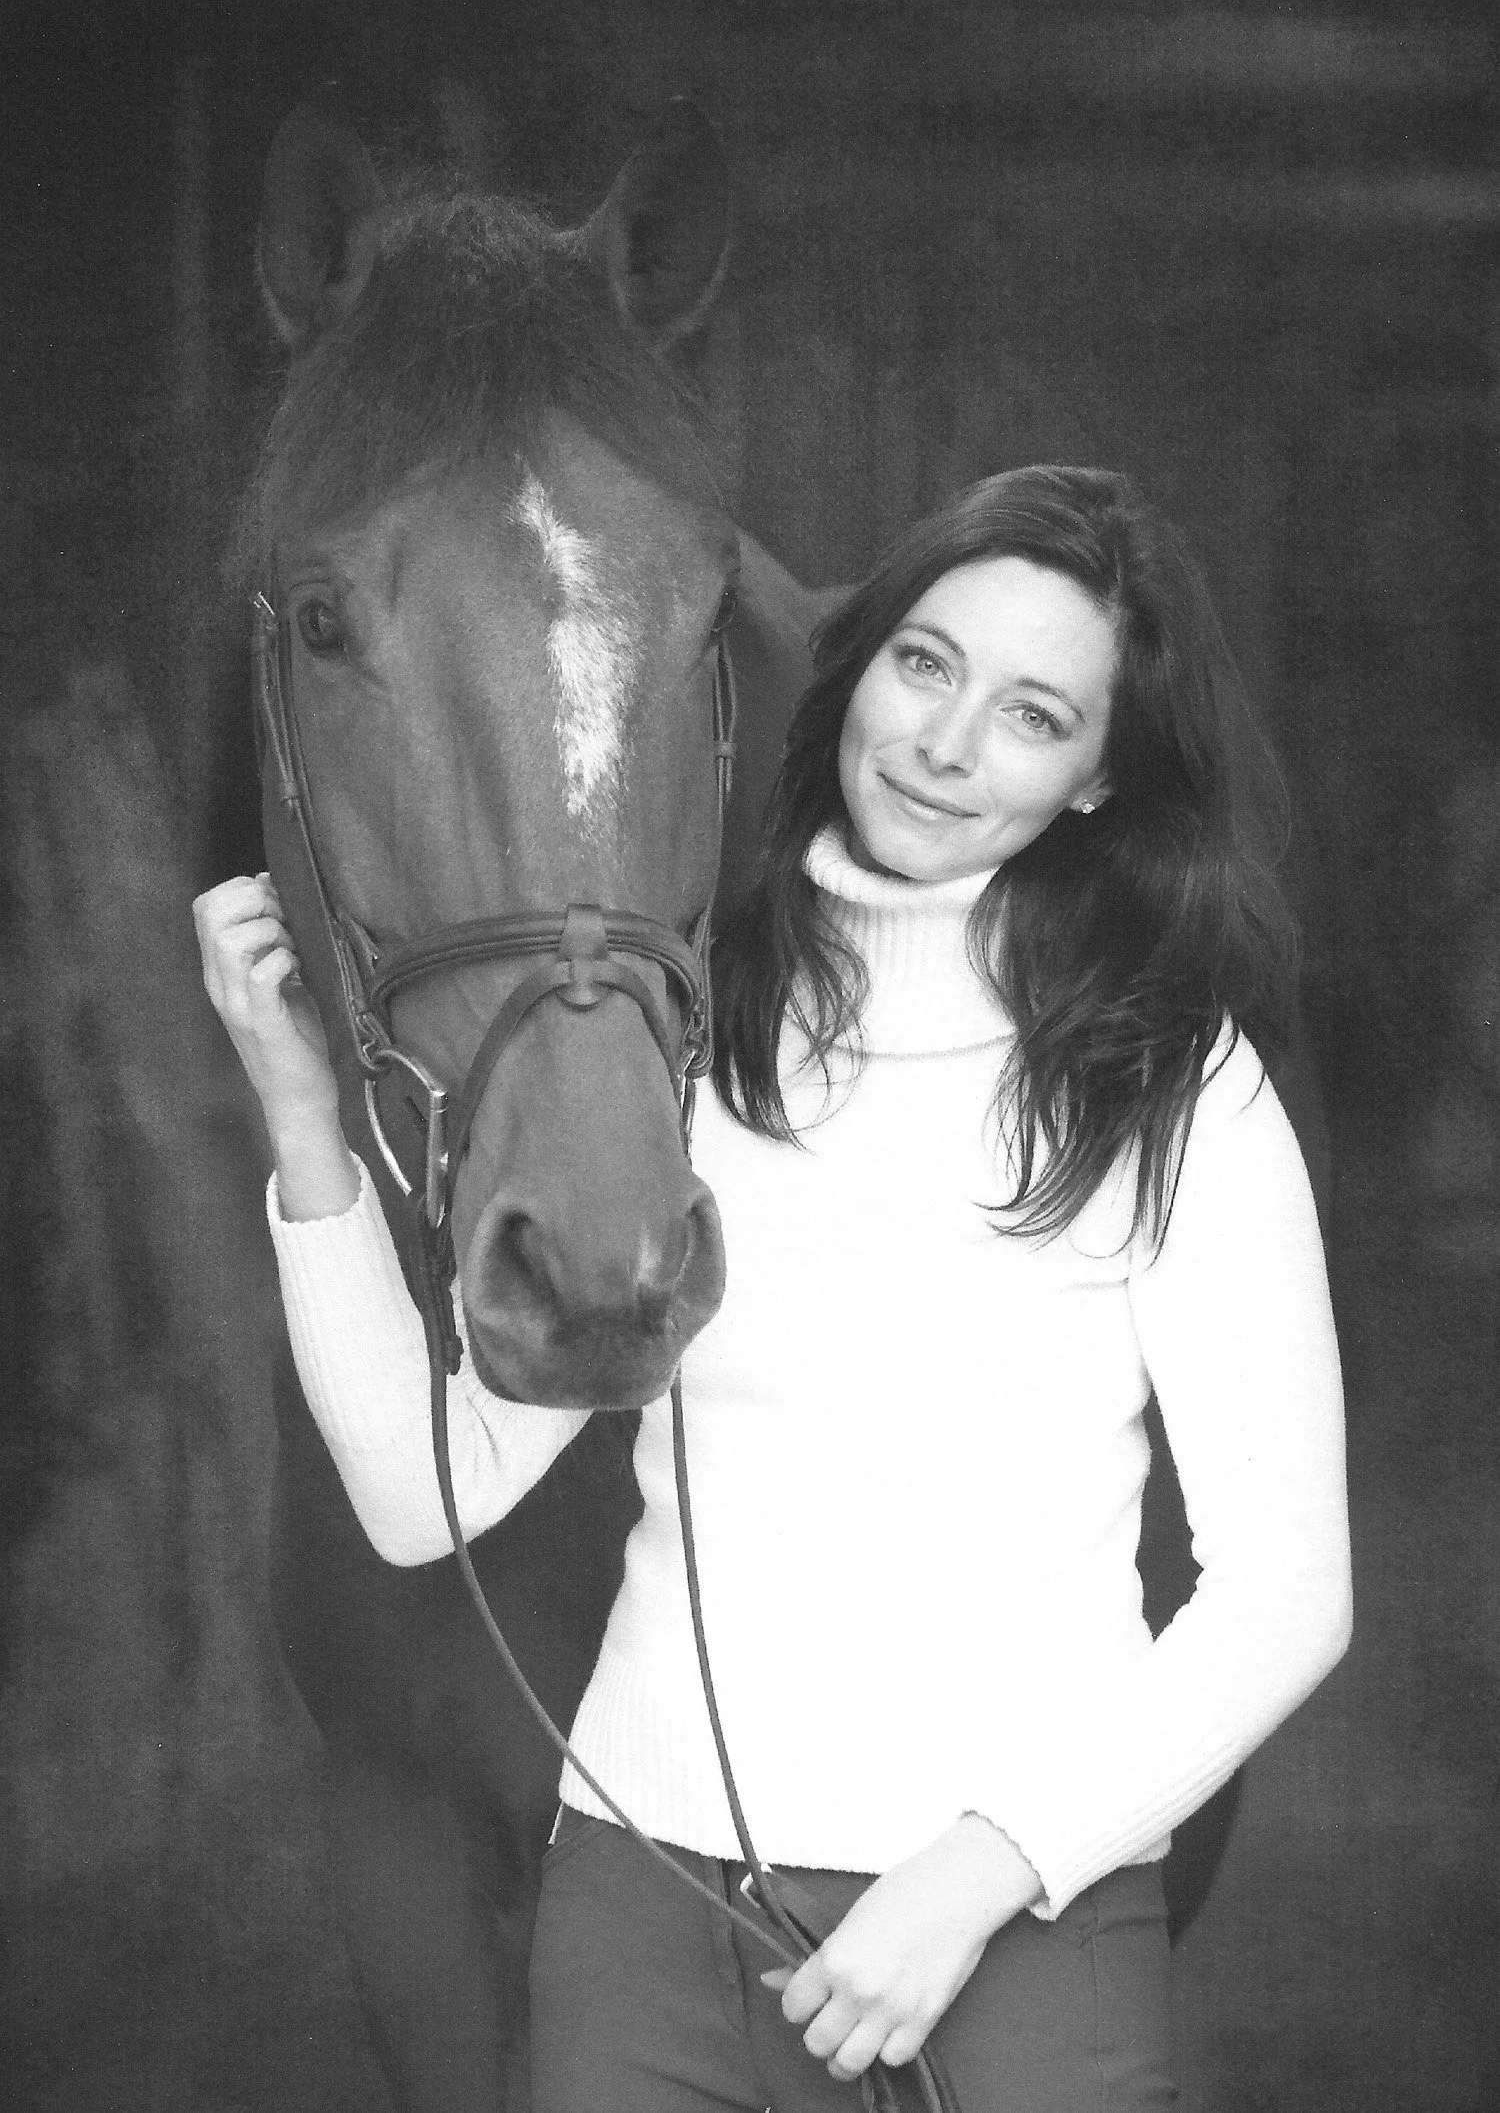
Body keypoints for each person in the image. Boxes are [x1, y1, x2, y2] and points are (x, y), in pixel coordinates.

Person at [195, 466, 1351, 2112]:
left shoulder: (1170, 1081)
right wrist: (302, 1116)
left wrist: (972, 1875)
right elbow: (418, 1492)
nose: (948, 743)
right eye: (928, 665)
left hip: (1019, 1934)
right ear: (859, 663)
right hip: (643, 1923)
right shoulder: (675, 1048)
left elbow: (1290, 1587)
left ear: (1101, 778)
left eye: (1035, 714)